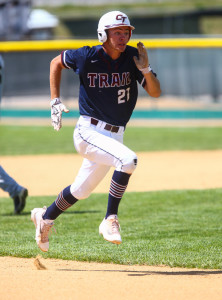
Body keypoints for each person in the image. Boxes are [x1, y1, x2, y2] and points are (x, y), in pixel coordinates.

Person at [31, 11, 161, 252]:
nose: (123, 37)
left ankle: (44, 217)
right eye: (117, 32)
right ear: (104, 34)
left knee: (80, 191)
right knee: (128, 160)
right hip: (88, 131)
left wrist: (145, 70)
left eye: (126, 32)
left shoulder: (133, 57)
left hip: (115, 135)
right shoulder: (87, 55)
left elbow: (155, 92)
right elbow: (55, 63)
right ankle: (110, 218)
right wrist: (54, 100)